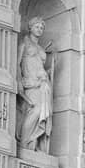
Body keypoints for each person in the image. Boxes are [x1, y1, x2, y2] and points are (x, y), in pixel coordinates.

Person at [17, 17, 55, 153]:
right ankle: (24, 143)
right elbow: (17, 64)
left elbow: (39, 65)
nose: (39, 30)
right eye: (37, 27)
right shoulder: (24, 44)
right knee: (35, 111)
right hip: (30, 83)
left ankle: (34, 143)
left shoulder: (40, 48)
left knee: (42, 113)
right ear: (30, 28)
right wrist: (19, 81)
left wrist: (49, 71)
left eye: (41, 28)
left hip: (43, 84)